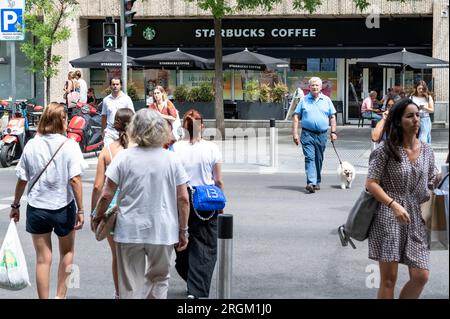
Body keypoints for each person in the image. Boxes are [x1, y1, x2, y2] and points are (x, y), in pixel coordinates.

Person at [92, 109, 190, 299]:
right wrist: (183, 230)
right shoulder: (171, 159)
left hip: (129, 230)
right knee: (159, 279)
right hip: (163, 230)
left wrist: (97, 217)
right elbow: (183, 199)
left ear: (135, 129)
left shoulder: (124, 157)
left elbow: (106, 194)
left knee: (130, 285)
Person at [9, 102, 87, 299]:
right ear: (61, 120)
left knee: (43, 259)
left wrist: (16, 205)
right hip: (63, 207)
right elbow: (75, 179)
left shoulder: (32, 145)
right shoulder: (70, 145)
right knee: (67, 252)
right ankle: (60, 296)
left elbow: (22, 179)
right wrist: (81, 209)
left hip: (37, 208)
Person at [366, 98, 439, 299]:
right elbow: (371, 183)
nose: (416, 120)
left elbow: (432, 180)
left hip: (417, 217)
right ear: (398, 121)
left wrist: (440, 179)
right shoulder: (385, 149)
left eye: (418, 115)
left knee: (421, 276)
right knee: (388, 281)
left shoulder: (427, 150)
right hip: (389, 216)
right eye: (409, 116)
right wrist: (393, 204)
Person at [173, 109, 224, 299]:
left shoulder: (176, 148)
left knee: (182, 243)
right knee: (206, 246)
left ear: (184, 127)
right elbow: (218, 181)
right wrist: (221, 201)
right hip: (206, 202)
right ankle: (197, 290)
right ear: (202, 126)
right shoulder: (212, 148)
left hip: (182, 199)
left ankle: (192, 282)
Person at [90, 108, 134, 299]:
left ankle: (119, 294)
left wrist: (94, 214)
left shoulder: (107, 152)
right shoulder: (139, 149)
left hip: (112, 212)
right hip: (134, 206)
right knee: (135, 256)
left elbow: (98, 186)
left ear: (114, 125)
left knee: (117, 256)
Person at [292, 77, 337, 193]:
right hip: (307, 134)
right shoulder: (304, 100)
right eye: (312, 85)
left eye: (317, 85)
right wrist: (295, 133)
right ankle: (311, 182)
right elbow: (296, 116)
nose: (315, 87)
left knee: (319, 158)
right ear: (309, 87)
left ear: (321, 87)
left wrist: (333, 132)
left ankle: (317, 181)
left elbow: (332, 117)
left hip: (322, 135)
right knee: (310, 157)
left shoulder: (326, 100)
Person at [101, 77, 135, 146]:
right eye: (113, 84)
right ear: (110, 86)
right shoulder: (106, 100)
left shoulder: (127, 99)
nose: (115, 86)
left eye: (117, 84)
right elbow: (104, 116)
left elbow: (132, 115)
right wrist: (102, 131)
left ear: (120, 85)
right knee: (109, 152)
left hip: (123, 131)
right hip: (109, 132)